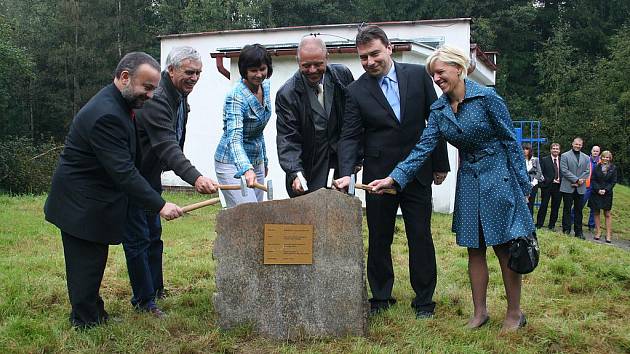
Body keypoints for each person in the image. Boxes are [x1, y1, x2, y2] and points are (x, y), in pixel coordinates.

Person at [369, 45, 533, 331]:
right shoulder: (439, 109)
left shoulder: (487, 98)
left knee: (505, 248)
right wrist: (394, 179)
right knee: (474, 249)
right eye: (433, 74)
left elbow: (510, 142)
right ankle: (480, 313)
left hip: (498, 177)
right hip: (468, 180)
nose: (436, 78)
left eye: (441, 72)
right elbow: (423, 149)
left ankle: (514, 313)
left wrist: (522, 185)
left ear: (459, 68)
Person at [44, 52, 184, 328]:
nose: (152, 95)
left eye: (155, 88)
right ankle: (85, 323)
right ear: (124, 78)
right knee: (86, 264)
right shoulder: (107, 114)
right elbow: (123, 171)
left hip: (92, 200)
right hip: (79, 203)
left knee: (93, 262)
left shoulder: (118, 105)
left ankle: (94, 313)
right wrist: (159, 204)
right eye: (147, 87)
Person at [334, 25, 450, 319]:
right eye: (363, 58)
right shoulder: (355, 91)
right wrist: (347, 171)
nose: (370, 62)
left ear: (388, 47)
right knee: (379, 237)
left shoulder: (418, 75)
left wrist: (440, 163)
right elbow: (349, 136)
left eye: (374, 54)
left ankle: (424, 301)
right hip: (378, 177)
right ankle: (381, 296)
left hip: (418, 174)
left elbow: (433, 120)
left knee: (420, 236)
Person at [129, 46, 218, 316]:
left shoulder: (178, 95)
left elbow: (172, 140)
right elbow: (168, 146)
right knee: (138, 239)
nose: (194, 78)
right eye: (189, 72)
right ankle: (144, 302)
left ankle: (156, 289)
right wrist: (195, 177)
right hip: (133, 177)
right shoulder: (157, 98)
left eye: (198, 73)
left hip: (150, 173)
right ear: (171, 70)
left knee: (154, 236)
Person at [276, 35, 355, 197]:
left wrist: (355, 161)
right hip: (309, 168)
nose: (312, 70)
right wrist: (295, 172)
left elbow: (353, 122)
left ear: (327, 58)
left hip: (341, 168)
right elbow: (288, 138)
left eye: (318, 64)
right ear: (298, 62)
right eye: (306, 65)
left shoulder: (342, 76)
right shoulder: (287, 94)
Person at [214, 44, 273, 207]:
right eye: (253, 70)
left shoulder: (266, 87)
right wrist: (246, 169)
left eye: (262, 69)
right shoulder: (236, 97)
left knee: (257, 214)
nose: (259, 74)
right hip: (231, 162)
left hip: (256, 159)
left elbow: (259, 131)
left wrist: (264, 161)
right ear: (244, 70)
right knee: (246, 214)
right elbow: (234, 139)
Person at [560, 137, 590, 239]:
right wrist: (576, 180)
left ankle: (579, 232)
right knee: (567, 209)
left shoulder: (586, 157)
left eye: (580, 145)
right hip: (568, 187)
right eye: (576, 144)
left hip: (580, 188)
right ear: (572, 144)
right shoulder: (564, 156)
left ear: (582, 145)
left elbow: (587, 171)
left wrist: (580, 181)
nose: (577, 146)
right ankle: (566, 230)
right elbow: (564, 170)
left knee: (579, 210)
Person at [588, 150, 617, 243]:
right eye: (604, 157)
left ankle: (608, 234)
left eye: (607, 157)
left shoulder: (613, 168)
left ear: (610, 158)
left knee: (607, 214)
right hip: (596, 193)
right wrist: (598, 189)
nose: (605, 159)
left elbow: (613, 181)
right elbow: (593, 180)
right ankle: (598, 232)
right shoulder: (596, 167)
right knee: (596, 212)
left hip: (607, 194)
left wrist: (605, 190)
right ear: (601, 157)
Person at [536, 143, 562, 230]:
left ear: (559, 150)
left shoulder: (562, 160)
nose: (555, 150)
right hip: (547, 186)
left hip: (558, 186)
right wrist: (543, 183)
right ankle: (539, 224)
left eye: (557, 149)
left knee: (555, 206)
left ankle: (552, 225)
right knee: (544, 205)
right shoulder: (544, 160)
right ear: (550, 150)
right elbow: (540, 172)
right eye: (553, 148)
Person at [523, 143, 543, 215]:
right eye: (523, 149)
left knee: (531, 204)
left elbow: (539, 172)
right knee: (523, 204)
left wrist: (532, 183)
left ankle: (530, 222)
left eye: (527, 149)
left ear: (530, 150)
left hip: (533, 185)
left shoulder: (535, 160)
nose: (524, 151)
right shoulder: (520, 160)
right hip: (523, 185)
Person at [584, 145, 600, 231]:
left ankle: (591, 225)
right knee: (579, 204)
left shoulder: (601, 162)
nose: (595, 152)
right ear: (591, 151)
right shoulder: (586, 159)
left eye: (597, 151)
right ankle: (572, 221)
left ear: (599, 153)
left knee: (594, 207)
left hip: (596, 188)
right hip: (586, 186)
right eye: (594, 150)